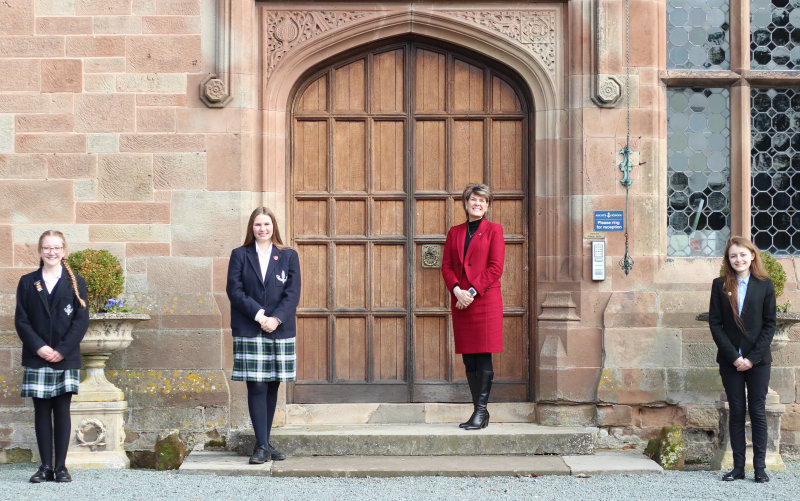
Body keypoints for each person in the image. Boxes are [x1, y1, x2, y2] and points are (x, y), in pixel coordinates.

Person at [227, 207, 301, 463]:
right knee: (256, 384)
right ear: (252, 227)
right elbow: (234, 291)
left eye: (267, 224)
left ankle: (266, 444)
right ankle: (260, 446)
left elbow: (292, 293)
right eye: (258, 224)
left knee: (272, 383)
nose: (263, 229)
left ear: (273, 226)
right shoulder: (240, 255)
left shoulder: (288, 255)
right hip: (250, 327)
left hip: (280, 329)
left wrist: (276, 319)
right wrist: (260, 316)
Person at [15, 230, 89, 483]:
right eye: (47, 248)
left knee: (62, 410)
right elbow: (22, 320)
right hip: (37, 356)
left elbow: (81, 321)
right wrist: (38, 347)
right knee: (41, 411)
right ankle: (45, 467)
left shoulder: (76, 282)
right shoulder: (28, 282)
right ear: (40, 251)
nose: (51, 252)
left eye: (56, 248)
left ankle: (61, 468)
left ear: (64, 251)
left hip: (65, 357)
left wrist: (62, 350)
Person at [708, 236, 776, 483]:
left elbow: (770, 325)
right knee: (736, 411)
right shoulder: (719, 285)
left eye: (743, 254)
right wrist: (735, 357)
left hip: (758, 361)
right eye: (733, 256)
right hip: (731, 361)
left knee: (757, 411)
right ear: (728, 259)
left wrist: (752, 359)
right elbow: (715, 324)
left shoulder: (765, 284)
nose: (738, 259)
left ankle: (760, 468)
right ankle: (738, 468)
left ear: (752, 256)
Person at [441, 184, 505, 430]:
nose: (478, 204)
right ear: (466, 203)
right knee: (469, 358)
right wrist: (457, 289)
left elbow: (495, 268)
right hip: (461, 302)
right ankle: (480, 412)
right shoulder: (455, 232)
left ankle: (479, 412)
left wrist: (471, 292)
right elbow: (447, 266)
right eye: (474, 199)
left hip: (485, 301)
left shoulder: (494, 230)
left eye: (483, 201)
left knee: (483, 355)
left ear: (487, 206)